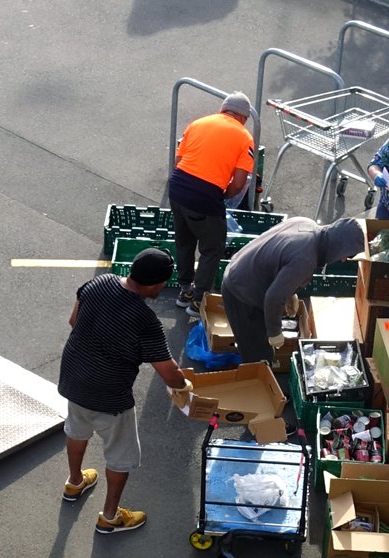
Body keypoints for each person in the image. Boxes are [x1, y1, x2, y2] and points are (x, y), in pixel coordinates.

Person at [58, 248, 191, 535]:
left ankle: (75, 482)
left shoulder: (98, 283)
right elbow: (169, 374)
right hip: (110, 396)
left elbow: (74, 322)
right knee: (121, 455)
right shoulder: (145, 321)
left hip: (73, 379)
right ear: (155, 284)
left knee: (77, 430)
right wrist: (185, 385)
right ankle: (110, 517)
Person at [222, 216, 365, 364]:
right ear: (339, 246)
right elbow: (273, 298)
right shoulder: (305, 260)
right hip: (240, 293)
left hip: (240, 269)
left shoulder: (306, 223)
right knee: (259, 360)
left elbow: (280, 255)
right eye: (347, 255)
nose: (343, 260)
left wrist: (290, 291)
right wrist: (275, 332)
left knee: (257, 347)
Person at [168, 92, 255, 317]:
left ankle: (185, 290)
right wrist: (223, 195)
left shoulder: (198, 123)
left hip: (177, 188)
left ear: (223, 109)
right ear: (243, 118)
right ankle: (198, 301)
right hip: (205, 195)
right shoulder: (244, 137)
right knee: (212, 247)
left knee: (184, 240)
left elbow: (179, 161)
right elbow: (238, 182)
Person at [367, 140, 389, 219]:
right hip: (385, 206)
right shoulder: (388, 147)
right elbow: (375, 163)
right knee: (380, 230)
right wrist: (376, 174)